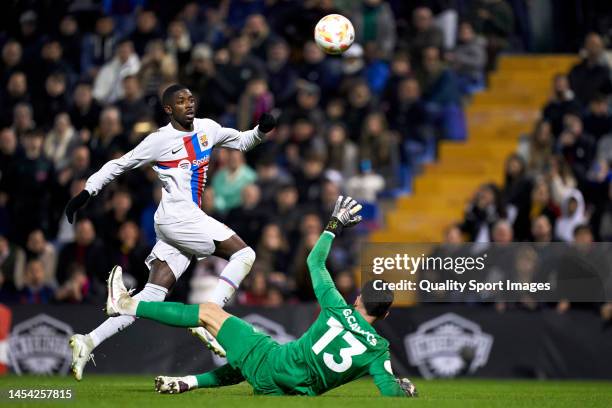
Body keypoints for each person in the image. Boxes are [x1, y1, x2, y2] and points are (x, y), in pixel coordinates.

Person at [64, 84, 276, 380]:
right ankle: (210, 315)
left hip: (178, 221)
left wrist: (261, 130)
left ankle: (88, 340)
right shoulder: (159, 141)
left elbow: (242, 142)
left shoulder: (207, 129)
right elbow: (119, 165)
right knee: (244, 253)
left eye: (191, 99)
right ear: (168, 109)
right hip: (178, 216)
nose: (188, 104)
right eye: (180, 101)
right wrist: (87, 191)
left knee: (152, 295)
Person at [105, 196, 417, 397]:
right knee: (247, 364)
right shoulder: (378, 349)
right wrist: (404, 392)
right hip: (285, 393)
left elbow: (314, 261)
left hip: (273, 364)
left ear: (357, 300)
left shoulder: (337, 306)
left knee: (209, 311)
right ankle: (188, 382)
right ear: (385, 315)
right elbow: (388, 389)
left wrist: (333, 226)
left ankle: (126, 303)